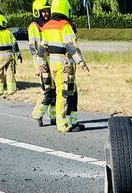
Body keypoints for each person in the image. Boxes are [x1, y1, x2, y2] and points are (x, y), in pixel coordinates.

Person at [39, 0, 90, 133]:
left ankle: (73, 121)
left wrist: (41, 64)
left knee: (71, 91)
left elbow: (42, 49)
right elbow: (71, 47)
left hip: (54, 64)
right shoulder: (64, 26)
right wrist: (81, 62)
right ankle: (62, 124)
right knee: (64, 93)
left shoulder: (47, 26)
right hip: (65, 65)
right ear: (65, 9)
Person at [27, 0, 56, 126]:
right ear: (37, 12)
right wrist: (40, 64)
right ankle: (37, 114)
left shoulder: (50, 24)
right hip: (42, 62)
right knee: (47, 90)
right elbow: (32, 47)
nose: (46, 14)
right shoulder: (34, 26)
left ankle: (54, 117)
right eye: (43, 12)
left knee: (55, 90)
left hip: (52, 60)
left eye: (47, 11)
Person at [0, 14, 21, 97]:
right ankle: (11, 90)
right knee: (10, 73)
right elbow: (15, 45)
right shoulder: (8, 32)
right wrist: (18, 55)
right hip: (9, 55)